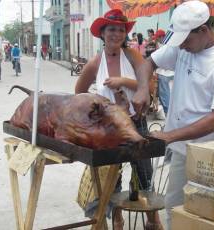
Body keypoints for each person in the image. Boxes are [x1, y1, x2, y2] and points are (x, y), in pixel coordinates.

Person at [131, 1, 214, 229]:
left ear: (203, 30)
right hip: (181, 150)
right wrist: (143, 88)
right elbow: (148, 63)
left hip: (211, 154)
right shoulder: (182, 46)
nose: (182, 47)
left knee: (208, 217)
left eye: (186, 41)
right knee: (174, 210)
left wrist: (170, 135)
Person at [75, 9, 163, 230]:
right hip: (109, 130)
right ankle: (117, 221)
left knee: (144, 173)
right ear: (102, 33)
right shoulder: (95, 63)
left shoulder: (132, 56)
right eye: (111, 29)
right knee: (112, 180)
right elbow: (79, 93)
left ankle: (153, 221)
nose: (116, 34)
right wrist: (96, 109)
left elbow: (150, 86)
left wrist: (123, 81)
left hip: (136, 122)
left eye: (121, 30)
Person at [153, 29, 174, 119]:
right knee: (170, 94)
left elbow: (159, 61)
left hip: (164, 73)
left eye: (157, 38)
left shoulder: (165, 46)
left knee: (165, 96)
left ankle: (168, 114)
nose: (156, 40)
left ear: (162, 37)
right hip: (171, 73)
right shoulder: (170, 44)